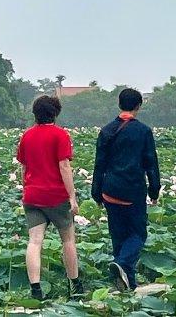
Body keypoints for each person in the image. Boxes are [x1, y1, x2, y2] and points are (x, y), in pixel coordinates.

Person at [91, 88, 160, 291]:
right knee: (138, 234)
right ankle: (122, 264)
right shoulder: (143, 131)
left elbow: (99, 164)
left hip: (110, 191)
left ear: (119, 104)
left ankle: (127, 284)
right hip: (133, 191)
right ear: (138, 106)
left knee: (118, 236)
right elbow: (151, 164)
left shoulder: (106, 130)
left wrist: (96, 192)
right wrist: (154, 190)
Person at [16, 95, 82, 300]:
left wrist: (26, 189)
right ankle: (75, 286)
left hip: (33, 195)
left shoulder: (26, 136)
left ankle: (35, 289)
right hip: (56, 195)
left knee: (34, 242)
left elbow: (23, 167)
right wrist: (72, 196)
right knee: (68, 240)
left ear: (35, 113)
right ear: (55, 113)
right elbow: (64, 166)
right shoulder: (60, 135)